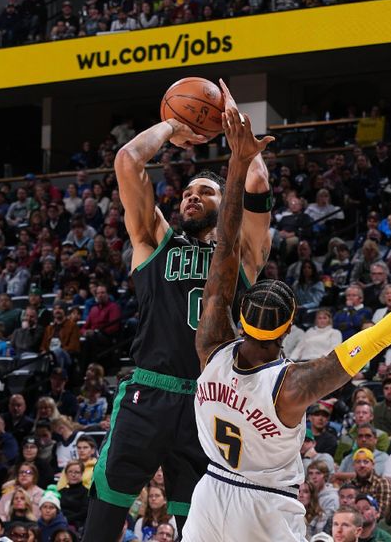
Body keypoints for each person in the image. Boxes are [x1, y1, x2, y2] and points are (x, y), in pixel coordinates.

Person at [182, 106, 391, 541]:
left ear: (238, 318)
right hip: (264, 507)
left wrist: (237, 163)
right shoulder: (292, 386)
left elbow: (224, 258)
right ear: (289, 329)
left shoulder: (210, 347)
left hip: (209, 494)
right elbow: (377, 336)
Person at [83, 82, 272, 542]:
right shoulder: (153, 242)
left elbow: (258, 184)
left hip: (210, 400)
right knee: (105, 513)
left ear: (222, 202)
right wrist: (173, 125)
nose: (190, 196)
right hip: (150, 389)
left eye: (205, 192)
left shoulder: (241, 254)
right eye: (187, 191)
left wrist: (235, 128)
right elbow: (128, 160)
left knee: (201, 528)